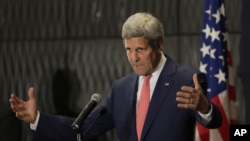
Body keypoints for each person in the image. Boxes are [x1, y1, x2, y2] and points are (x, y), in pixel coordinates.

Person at [9, 12, 222, 141]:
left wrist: (205, 108)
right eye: (128, 50)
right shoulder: (121, 88)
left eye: (140, 49)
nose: (133, 58)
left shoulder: (186, 79)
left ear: (158, 45)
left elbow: (216, 122)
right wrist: (37, 119)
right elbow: (83, 127)